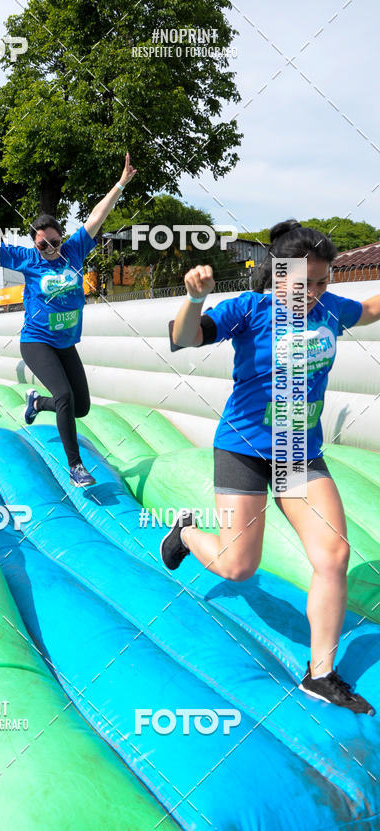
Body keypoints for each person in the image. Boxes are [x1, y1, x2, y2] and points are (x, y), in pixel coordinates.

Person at [162, 219, 380, 715]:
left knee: (334, 555)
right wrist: (194, 298)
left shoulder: (330, 311)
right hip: (244, 448)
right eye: (303, 282)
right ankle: (187, 533)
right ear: (277, 275)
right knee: (239, 567)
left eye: (322, 281)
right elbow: (185, 336)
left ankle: (320, 674)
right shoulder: (250, 310)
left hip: (300, 453)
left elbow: (367, 308)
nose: (313, 292)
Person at [0, 152, 137, 487]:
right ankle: (76, 467)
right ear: (35, 244)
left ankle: (37, 402)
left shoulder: (75, 250)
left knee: (80, 406)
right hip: (37, 342)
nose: (50, 248)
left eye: (54, 242)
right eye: (43, 245)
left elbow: (98, 215)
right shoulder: (27, 259)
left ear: (61, 238)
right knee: (66, 397)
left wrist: (121, 183)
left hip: (66, 343)